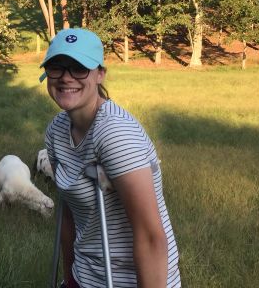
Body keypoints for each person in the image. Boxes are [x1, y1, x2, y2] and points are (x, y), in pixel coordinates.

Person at [41, 28, 181, 288]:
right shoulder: (56, 131)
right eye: (56, 67)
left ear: (99, 74)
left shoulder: (115, 133)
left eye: (79, 68)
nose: (66, 77)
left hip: (133, 280)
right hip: (86, 275)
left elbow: (151, 236)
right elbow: (68, 215)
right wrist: (70, 277)